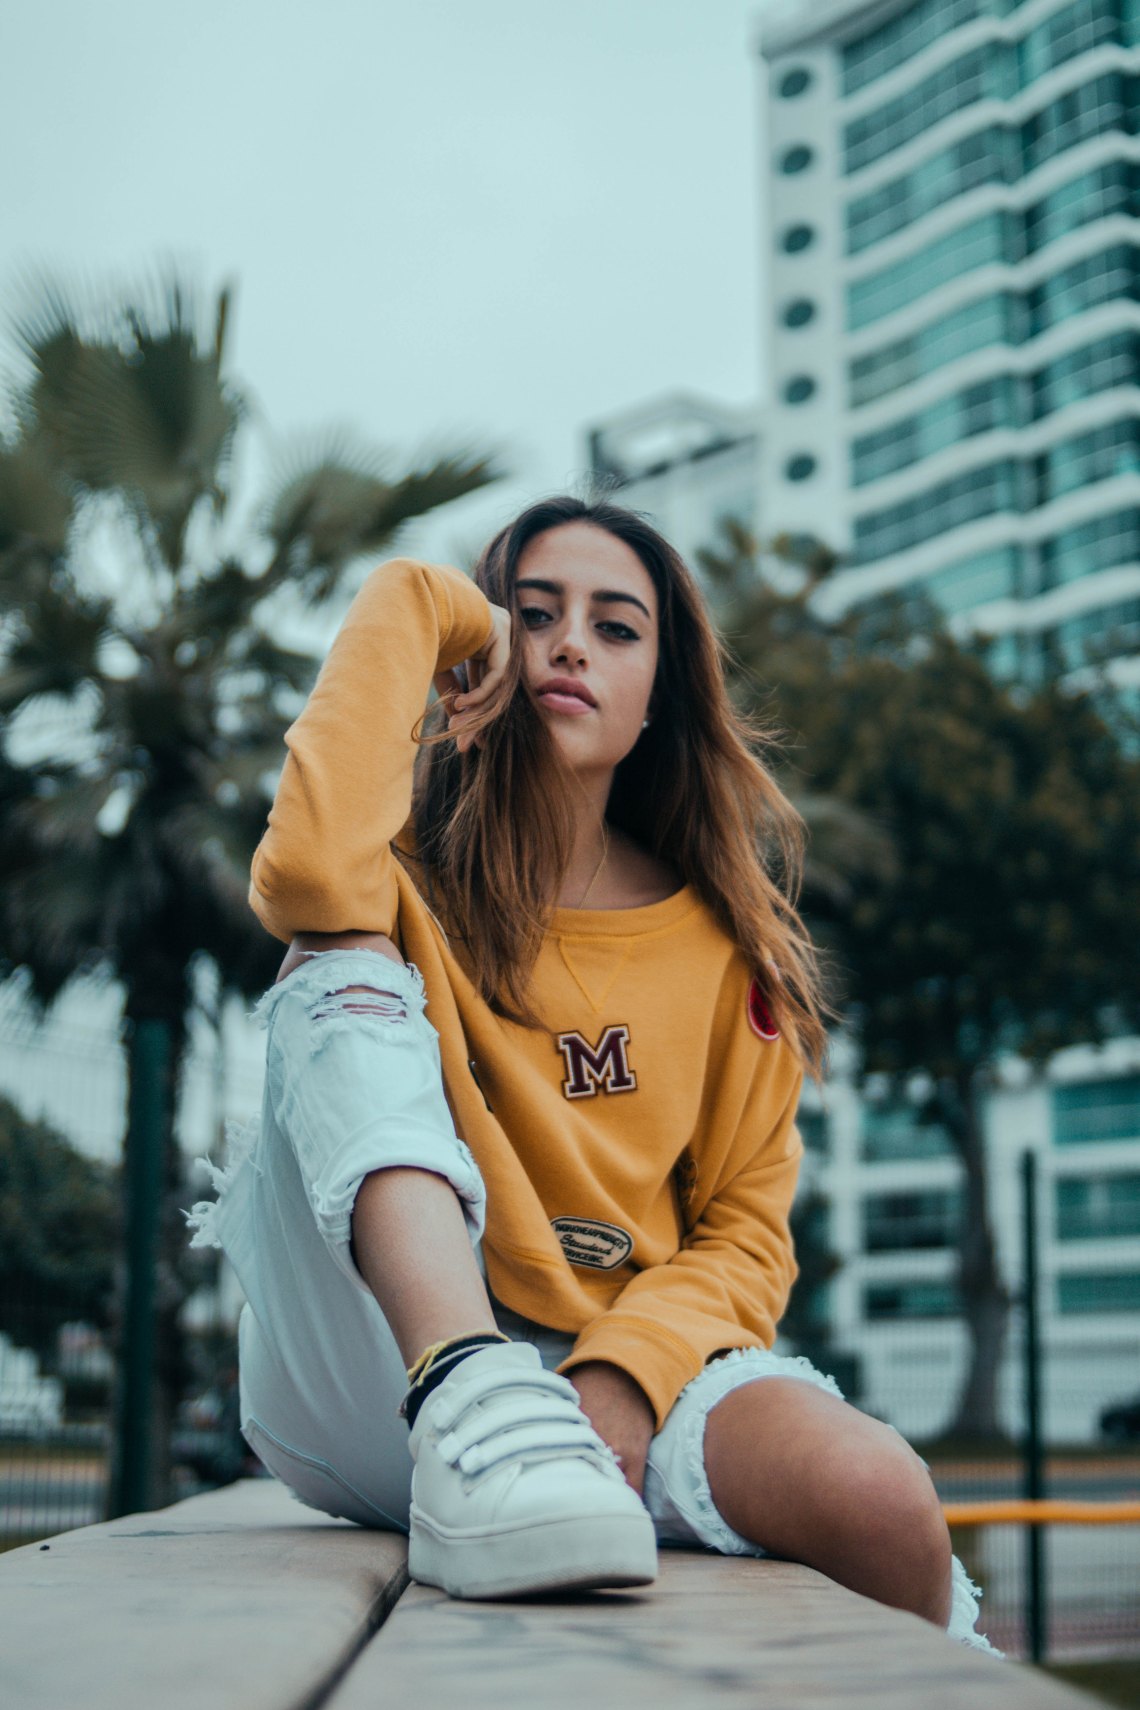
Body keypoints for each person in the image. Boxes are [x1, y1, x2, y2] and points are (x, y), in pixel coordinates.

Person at [188, 495, 997, 1647]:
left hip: (598, 1385)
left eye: (617, 627)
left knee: (882, 1497)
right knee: (337, 956)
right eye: (531, 615)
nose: (569, 643)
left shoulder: (728, 955)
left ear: (661, 689)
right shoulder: (389, 870)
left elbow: (746, 1234)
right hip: (377, 1365)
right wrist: (417, 599)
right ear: (481, 649)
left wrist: (619, 1378)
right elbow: (308, 877)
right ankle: (467, 1375)